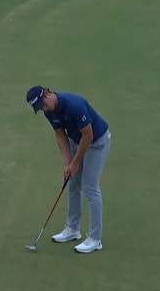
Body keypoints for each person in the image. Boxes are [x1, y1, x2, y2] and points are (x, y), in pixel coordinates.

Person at [26, 85, 112, 253]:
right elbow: (60, 134)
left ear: (48, 94)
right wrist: (67, 164)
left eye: (42, 104)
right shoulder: (49, 112)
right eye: (39, 108)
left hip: (97, 142)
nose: (43, 109)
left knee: (90, 187)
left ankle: (95, 239)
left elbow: (88, 136)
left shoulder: (73, 104)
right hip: (76, 140)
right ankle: (73, 229)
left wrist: (75, 162)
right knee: (72, 183)